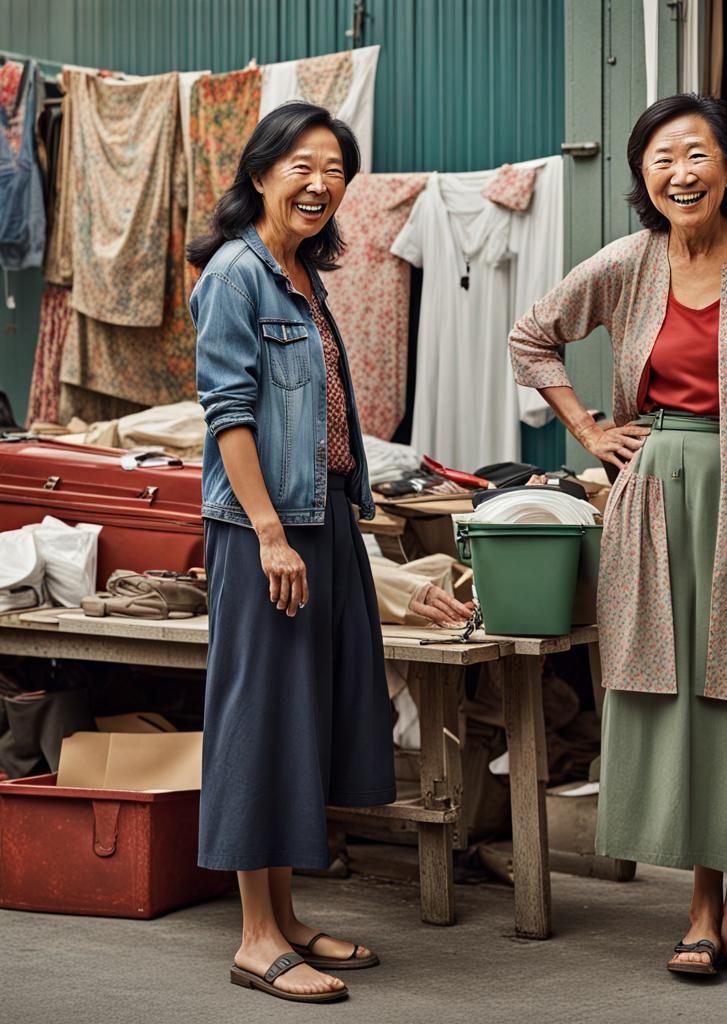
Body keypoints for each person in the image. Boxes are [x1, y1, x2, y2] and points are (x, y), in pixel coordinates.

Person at [509, 93, 727, 998]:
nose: (680, 173)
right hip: (653, 498)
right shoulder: (629, 261)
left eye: (696, 155)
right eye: (661, 159)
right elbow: (532, 335)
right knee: (674, 697)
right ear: (642, 179)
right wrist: (589, 430)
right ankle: (697, 908)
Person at [188, 102, 397, 1004]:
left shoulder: (300, 273)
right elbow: (228, 414)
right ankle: (255, 939)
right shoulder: (235, 274)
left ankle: (286, 915)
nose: (321, 184)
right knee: (258, 720)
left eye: (336, 169)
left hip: (321, 522)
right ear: (262, 171)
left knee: (300, 719)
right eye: (303, 165)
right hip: (261, 531)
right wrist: (271, 532)